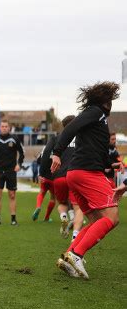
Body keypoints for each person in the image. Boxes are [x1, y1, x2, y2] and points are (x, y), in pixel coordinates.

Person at [52, 82, 122, 279]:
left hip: (78, 173)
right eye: (111, 100)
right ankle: (76, 255)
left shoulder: (96, 117)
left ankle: (69, 254)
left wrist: (109, 164)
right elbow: (70, 128)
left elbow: (96, 147)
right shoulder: (96, 111)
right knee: (111, 217)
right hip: (86, 173)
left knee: (96, 220)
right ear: (106, 101)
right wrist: (57, 152)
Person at [0, 120, 24, 225]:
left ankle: (13, 219)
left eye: (6, 126)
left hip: (11, 171)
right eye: (2, 126)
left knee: (12, 195)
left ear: (9, 128)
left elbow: (21, 153)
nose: (4, 128)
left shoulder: (14, 139)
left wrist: (19, 164)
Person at [31, 145, 56, 222]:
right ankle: (46, 217)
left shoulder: (45, 148)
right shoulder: (59, 149)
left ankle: (38, 206)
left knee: (41, 193)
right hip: (54, 178)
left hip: (44, 177)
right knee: (53, 198)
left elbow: (38, 160)